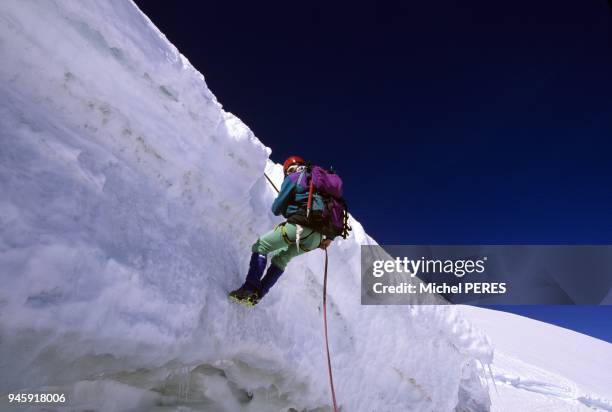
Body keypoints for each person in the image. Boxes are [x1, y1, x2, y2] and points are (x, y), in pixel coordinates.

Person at [229, 155, 333, 306]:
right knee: (281, 259)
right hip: (316, 239)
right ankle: (257, 295)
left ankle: (249, 289)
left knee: (262, 245)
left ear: (287, 170)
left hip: (298, 227)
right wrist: (328, 238)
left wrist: (288, 207)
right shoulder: (322, 187)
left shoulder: (294, 177)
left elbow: (276, 208)